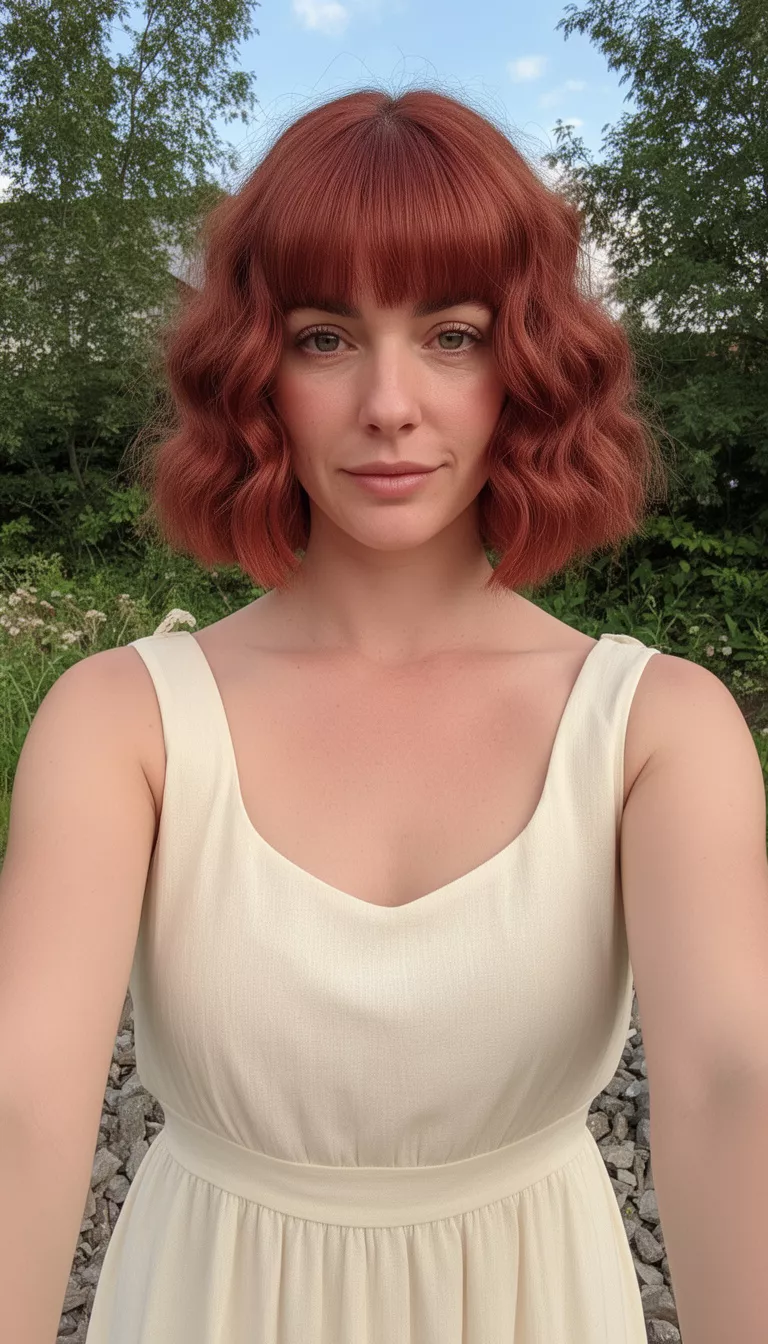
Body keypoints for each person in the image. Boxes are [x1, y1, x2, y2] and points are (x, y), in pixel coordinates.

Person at [2, 86, 766, 1344]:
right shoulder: (119, 722)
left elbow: (735, 1084)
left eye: (454, 335)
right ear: (256, 370)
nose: (390, 404)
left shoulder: (655, 729)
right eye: (324, 337)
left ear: (528, 362)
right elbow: (22, 1102)